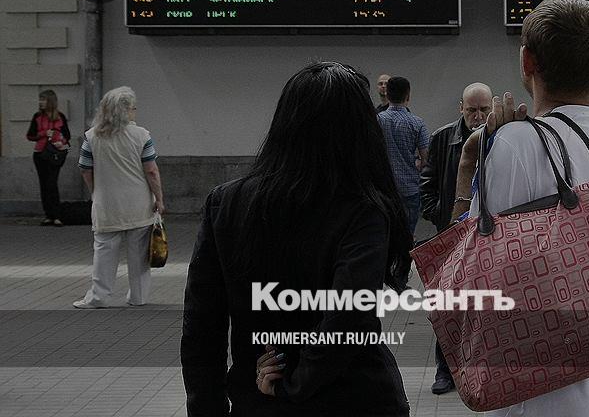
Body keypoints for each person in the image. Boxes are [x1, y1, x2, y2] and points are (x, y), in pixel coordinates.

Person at [452, 0, 589, 417]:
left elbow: (464, 279)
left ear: (527, 62)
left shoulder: (509, 147)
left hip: (527, 401)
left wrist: (469, 165)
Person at [182, 62, 411, 416]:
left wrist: (206, 407)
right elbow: (349, 315)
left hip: (257, 395)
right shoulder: (362, 209)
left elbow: (202, 324)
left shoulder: (226, 203)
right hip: (351, 396)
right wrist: (296, 383)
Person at [418, 81, 492, 395]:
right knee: (447, 304)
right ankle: (445, 370)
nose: (478, 116)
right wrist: (441, 215)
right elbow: (427, 183)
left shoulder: (501, 137)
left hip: (488, 233)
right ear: (461, 108)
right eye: (472, 110)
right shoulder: (443, 138)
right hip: (451, 233)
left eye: (484, 110)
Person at [73, 87, 163, 309]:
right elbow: (151, 171)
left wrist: (95, 191)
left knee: (104, 252)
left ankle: (98, 297)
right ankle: (138, 297)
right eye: (133, 108)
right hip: (138, 203)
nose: (135, 112)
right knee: (139, 255)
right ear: (126, 111)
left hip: (106, 204)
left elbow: (84, 168)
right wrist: (159, 199)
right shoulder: (142, 135)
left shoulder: (91, 137)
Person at [377, 76, 430, 288]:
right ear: (408, 96)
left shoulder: (378, 121)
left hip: (384, 189)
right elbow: (426, 160)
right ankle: (400, 278)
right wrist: (416, 163)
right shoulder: (417, 123)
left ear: (387, 95)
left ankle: (382, 274)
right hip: (409, 188)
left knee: (384, 232)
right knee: (407, 235)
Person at [26, 89, 71, 226]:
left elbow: (67, 135)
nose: (41, 102)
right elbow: (30, 135)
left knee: (52, 183)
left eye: (43, 99)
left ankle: (56, 215)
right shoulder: (37, 116)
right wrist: (44, 133)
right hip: (40, 153)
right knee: (44, 184)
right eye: (40, 99)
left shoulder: (60, 117)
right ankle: (48, 215)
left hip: (55, 154)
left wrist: (61, 142)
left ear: (50, 101)